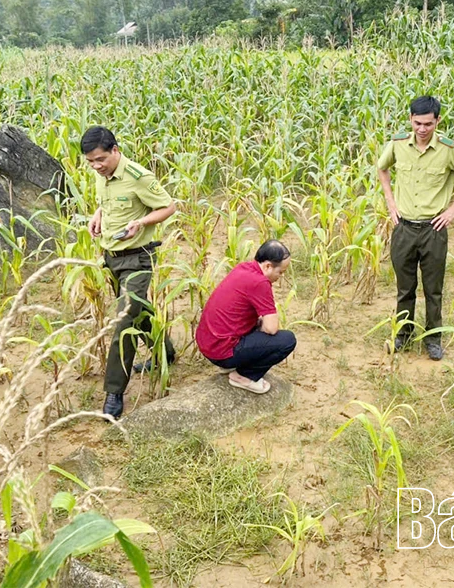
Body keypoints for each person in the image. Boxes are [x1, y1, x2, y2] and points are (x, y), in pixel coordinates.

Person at [377, 95, 454, 360]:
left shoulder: (449, 149)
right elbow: (382, 168)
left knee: (433, 288)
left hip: (433, 229)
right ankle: (404, 334)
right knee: (405, 287)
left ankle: (433, 338)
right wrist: (391, 203)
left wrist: (453, 209)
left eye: (428, 124)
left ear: (437, 121)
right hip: (404, 227)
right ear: (410, 119)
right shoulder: (398, 144)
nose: (422, 129)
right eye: (417, 123)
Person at [82, 126, 177, 419]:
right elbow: (107, 201)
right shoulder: (104, 177)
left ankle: (114, 392)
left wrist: (142, 222)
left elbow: (168, 206)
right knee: (137, 311)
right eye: (90, 162)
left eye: (100, 159)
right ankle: (166, 352)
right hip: (112, 258)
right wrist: (98, 215)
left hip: (137, 259)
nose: (96, 166)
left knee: (123, 322)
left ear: (115, 150)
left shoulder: (139, 177)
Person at [195, 240, 297, 394]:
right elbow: (271, 328)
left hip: (208, 343)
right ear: (268, 266)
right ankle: (244, 376)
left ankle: (229, 364)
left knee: (258, 323)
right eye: (280, 272)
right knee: (286, 340)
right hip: (221, 351)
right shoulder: (260, 282)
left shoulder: (243, 268)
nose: (280, 277)